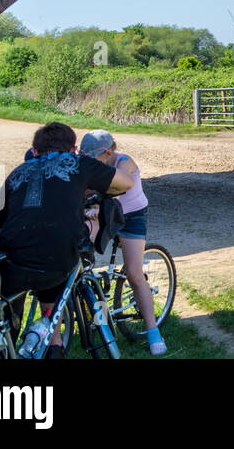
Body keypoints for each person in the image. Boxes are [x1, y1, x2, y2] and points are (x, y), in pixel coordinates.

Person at [0, 122, 132, 358]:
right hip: (56, 263)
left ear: (33, 151)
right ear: (74, 149)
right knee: (67, 254)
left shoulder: (16, 174)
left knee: (8, 314)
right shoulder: (79, 163)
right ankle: (54, 343)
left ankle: (9, 347)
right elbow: (127, 182)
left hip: (12, 264)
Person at [79, 130, 165, 356]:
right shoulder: (94, 163)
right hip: (104, 210)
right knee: (79, 250)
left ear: (107, 152)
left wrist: (96, 199)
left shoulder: (124, 162)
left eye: (91, 157)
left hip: (131, 216)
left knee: (135, 274)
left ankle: (153, 331)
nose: (88, 161)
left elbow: (118, 187)